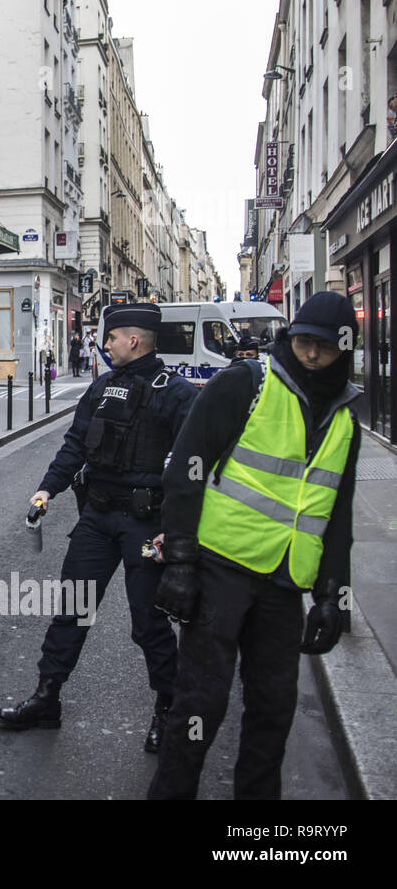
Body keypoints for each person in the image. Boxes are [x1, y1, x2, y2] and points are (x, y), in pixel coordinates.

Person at [148, 293, 361, 799]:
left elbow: (338, 515)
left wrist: (332, 596)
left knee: (273, 709)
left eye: (325, 347)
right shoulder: (248, 382)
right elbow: (186, 468)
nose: (312, 355)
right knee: (200, 705)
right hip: (220, 569)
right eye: (305, 342)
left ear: (343, 351)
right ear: (291, 337)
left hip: (284, 586)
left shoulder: (346, 416)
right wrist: (179, 558)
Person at [0, 303, 197, 750]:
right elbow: (75, 445)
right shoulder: (102, 387)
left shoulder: (177, 393)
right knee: (72, 607)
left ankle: (169, 708)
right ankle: (47, 699)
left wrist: (177, 532)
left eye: (111, 338)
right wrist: (47, 490)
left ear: (134, 340)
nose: (104, 346)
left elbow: (194, 471)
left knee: (148, 621)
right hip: (98, 519)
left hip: (146, 526)